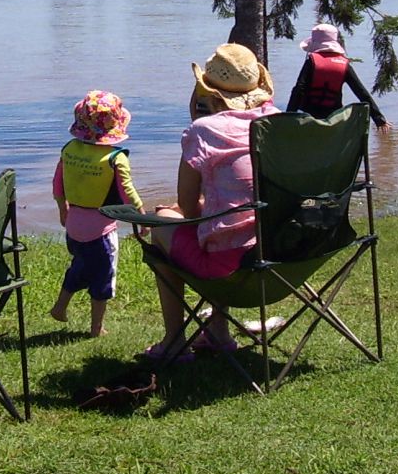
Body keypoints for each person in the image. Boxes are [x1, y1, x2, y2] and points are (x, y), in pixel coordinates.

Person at [142, 43, 278, 361]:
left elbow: (188, 207)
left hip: (229, 271)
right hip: (283, 257)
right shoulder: (276, 122)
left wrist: (177, 211)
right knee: (230, 223)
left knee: (161, 222)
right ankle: (217, 332)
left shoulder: (203, 131)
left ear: (209, 93)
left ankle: (175, 342)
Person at [50, 90, 144, 336]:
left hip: (73, 224)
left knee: (79, 266)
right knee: (103, 277)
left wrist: (63, 207)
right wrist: (142, 217)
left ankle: (60, 307)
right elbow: (127, 193)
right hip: (100, 230)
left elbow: (57, 182)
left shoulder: (69, 149)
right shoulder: (115, 158)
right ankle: (96, 328)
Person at [285, 23, 390, 130]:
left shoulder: (311, 62)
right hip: (333, 118)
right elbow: (361, 92)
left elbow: (298, 89)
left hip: (309, 117)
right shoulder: (344, 64)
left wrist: (288, 116)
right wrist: (379, 119)